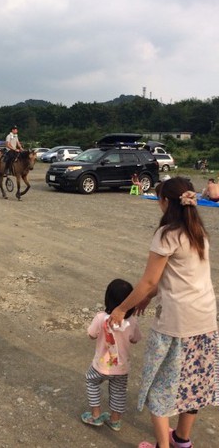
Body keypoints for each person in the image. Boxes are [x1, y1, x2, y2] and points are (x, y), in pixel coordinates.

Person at [108, 177, 218, 448]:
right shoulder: (198, 232)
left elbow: (148, 280)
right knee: (194, 384)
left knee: (159, 386)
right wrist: (148, 297)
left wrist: (121, 309)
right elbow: (178, 277)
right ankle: (181, 440)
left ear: (166, 202)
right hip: (205, 320)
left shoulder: (167, 234)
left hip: (175, 324)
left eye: (159, 199)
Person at [81, 279, 142, 431]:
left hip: (100, 366)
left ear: (107, 298)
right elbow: (135, 339)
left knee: (91, 381)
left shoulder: (101, 317)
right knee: (118, 392)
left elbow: (91, 334)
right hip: (121, 368)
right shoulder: (132, 321)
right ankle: (115, 420)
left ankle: (95, 416)